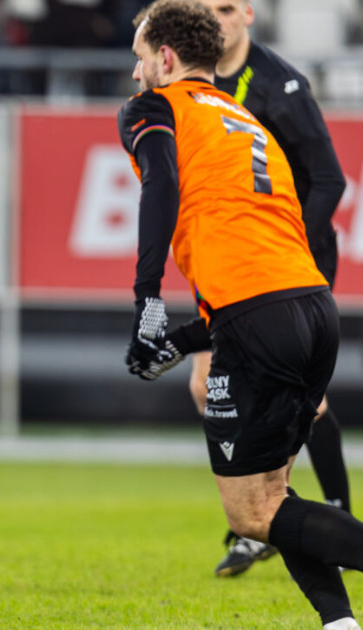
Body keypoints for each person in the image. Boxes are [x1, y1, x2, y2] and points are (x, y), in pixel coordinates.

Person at [122, 2, 363, 628]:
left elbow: (160, 186)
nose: (135, 71)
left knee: (251, 514)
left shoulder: (155, 109)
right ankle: (340, 624)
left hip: (262, 318)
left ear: (166, 59)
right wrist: (176, 340)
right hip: (310, 308)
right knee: (273, 497)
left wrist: (147, 294)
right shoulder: (245, 119)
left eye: (140, 57)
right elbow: (262, 260)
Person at [185, 0, 351, 578]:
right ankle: (263, 518)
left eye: (227, 7)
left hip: (289, 266)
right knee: (207, 384)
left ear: (249, 14)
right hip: (232, 268)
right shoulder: (196, 84)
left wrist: (287, 246)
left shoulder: (280, 84)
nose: (219, 18)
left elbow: (330, 179)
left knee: (305, 400)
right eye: (207, 9)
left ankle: (332, 515)